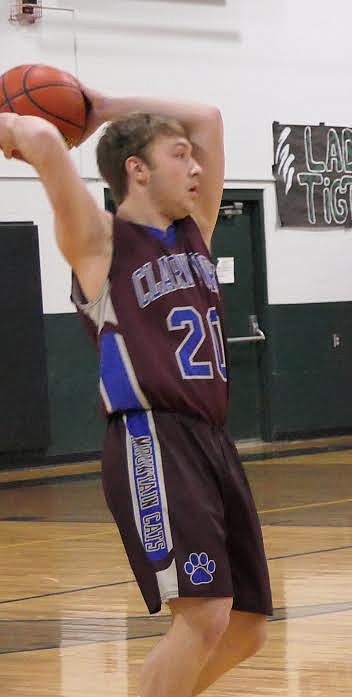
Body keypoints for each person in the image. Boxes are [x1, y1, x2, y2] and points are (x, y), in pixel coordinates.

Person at [0, 90, 271, 697]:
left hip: (212, 440)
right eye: (181, 156)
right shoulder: (99, 242)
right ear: (137, 170)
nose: (198, 166)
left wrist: (100, 104)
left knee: (246, 626)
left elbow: (209, 115)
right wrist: (22, 122)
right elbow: (43, 143)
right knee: (202, 616)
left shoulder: (196, 230)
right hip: (151, 437)